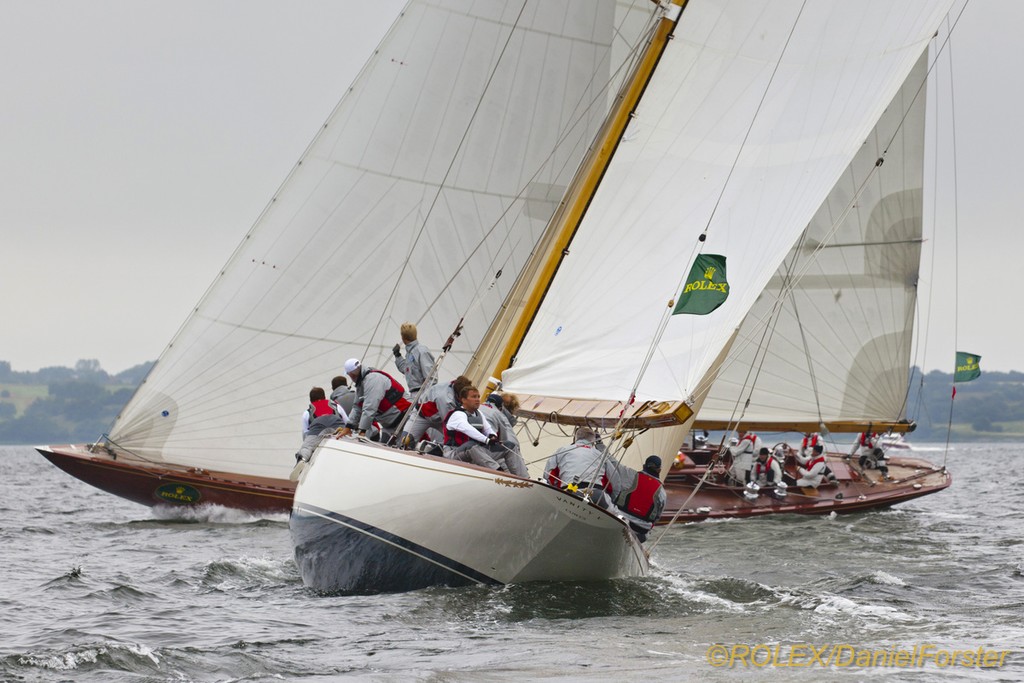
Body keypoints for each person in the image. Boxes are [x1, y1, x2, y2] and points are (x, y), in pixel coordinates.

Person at [442, 385, 527, 475]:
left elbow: (488, 429)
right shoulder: (457, 415)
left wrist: (492, 436)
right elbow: (469, 430)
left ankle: (525, 479)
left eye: (478, 396)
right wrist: (486, 440)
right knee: (472, 446)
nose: (478, 399)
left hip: (475, 453)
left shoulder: (479, 414)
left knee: (510, 446)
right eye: (473, 397)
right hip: (454, 454)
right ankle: (499, 473)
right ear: (463, 400)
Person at [543, 426, 618, 508]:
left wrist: (555, 491)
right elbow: (615, 481)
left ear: (576, 438)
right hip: (596, 494)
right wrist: (611, 498)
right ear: (593, 441)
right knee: (619, 517)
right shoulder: (600, 455)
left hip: (568, 491)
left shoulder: (563, 450)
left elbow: (548, 475)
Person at [338, 358, 412, 442]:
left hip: (404, 418)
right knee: (386, 445)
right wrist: (348, 427)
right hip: (390, 424)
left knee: (408, 444)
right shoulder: (362, 383)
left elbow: (370, 407)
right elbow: (357, 407)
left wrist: (362, 431)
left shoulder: (373, 379)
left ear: (351, 374)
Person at [400, 375, 472, 446]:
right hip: (421, 416)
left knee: (459, 441)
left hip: (439, 420)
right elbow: (449, 422)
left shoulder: (455, 384)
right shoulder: (445, 399)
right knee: (406, 440)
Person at [614, 455, 667, 542]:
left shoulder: (631, 475)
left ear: (643, 466)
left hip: (620, 520)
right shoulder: (662, 492)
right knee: (645, 536)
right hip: (640, 530)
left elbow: (614, 464)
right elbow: (657, 516)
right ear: (659, 470)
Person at [295, 387, 346, 464]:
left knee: (307, 447)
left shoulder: (307, 413)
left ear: (311, 400)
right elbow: (347, 422)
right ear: (325, 397)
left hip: (318, 427)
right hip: (336, 424)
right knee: (346, 438)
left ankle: (302, 459)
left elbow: (306, 434)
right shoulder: (336, 406)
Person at [392, 322, 437, 395]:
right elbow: (406, 370)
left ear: (403, 338)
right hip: (415, 394)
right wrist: (398, 356)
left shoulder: (421, 351)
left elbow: (430, 378)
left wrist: (426, 397)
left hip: (422, 394)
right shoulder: (410, 353)